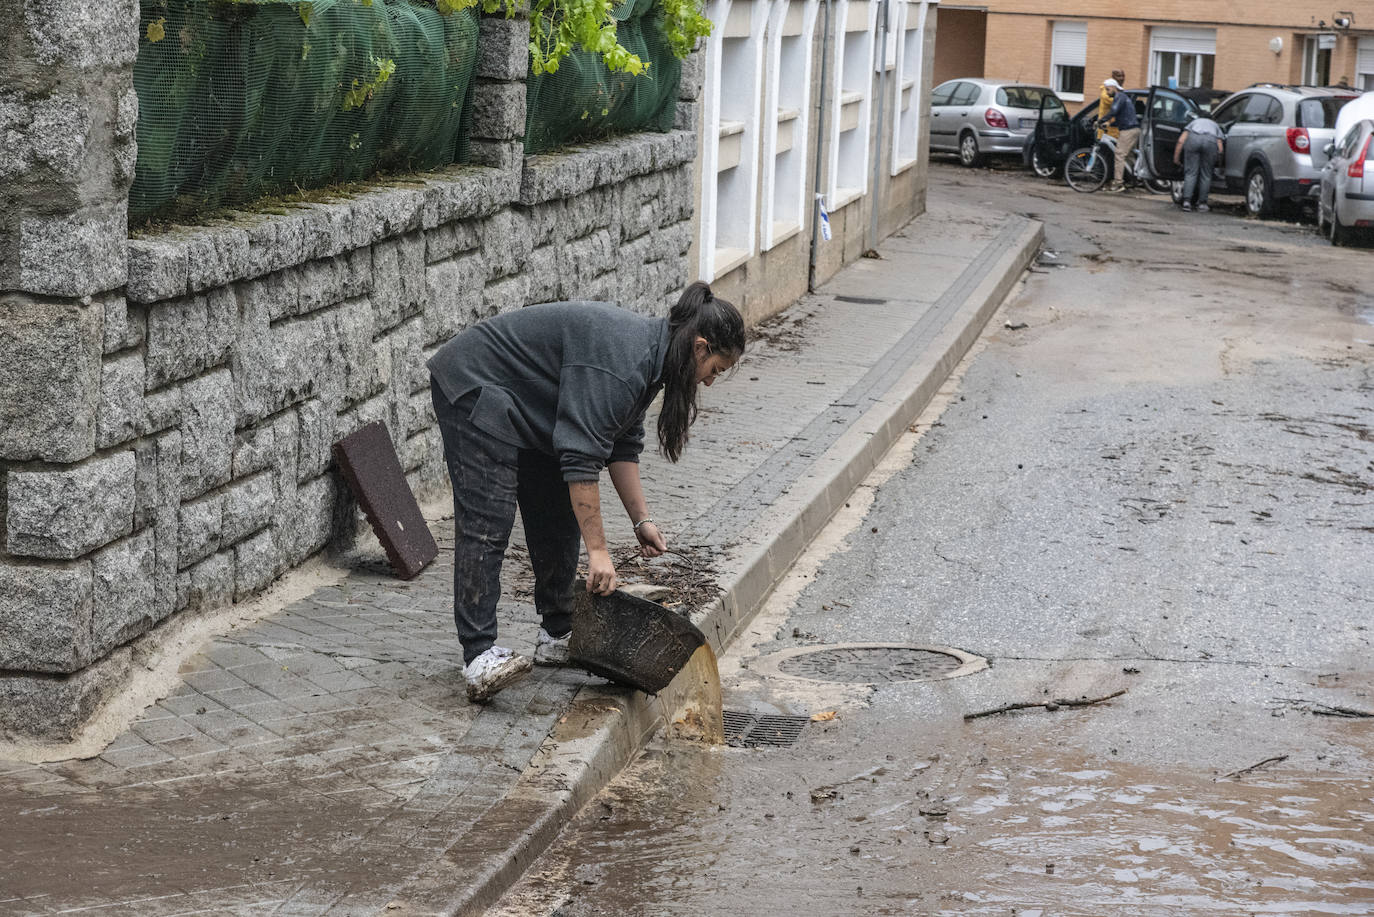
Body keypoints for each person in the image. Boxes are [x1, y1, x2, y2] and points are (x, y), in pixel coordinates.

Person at [426, 283, 746, 702]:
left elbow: (621, 444)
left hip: (533, 409)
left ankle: (556, 633)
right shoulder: (626, 362)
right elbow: (582, 459)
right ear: (701, 348)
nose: (708, 382)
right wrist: (599, 551)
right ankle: (478, 655)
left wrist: (642, 520)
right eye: (715, 370)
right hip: (476, 385)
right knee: (488, 520)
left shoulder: (654, 359)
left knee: (557, 516)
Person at [1173, 115, 1225, 212]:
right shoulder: (1215, 125)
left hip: (1193, 139)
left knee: (1191, 173)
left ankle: (1187, 202)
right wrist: (1219, 164)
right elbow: (1220, 149)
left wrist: (1176, 158)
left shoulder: (1193, 123)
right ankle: (1202, 204)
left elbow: (1181, 140)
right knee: (1206, 174)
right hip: (1210, 141)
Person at [1099, 78, 1140, 193]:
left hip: (1128, 130)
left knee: (1119, 154)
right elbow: (1122, 117)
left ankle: (1118, 183)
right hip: (1133, 129)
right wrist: (1109, 123)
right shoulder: (1123, 97)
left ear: (1113, 87)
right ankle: (1134, 179)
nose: (1107, 92)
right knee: (1129, 156)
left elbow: (1114, 111)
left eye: (1107, 89)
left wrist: (1101, 121)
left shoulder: (1119, 97)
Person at [1096, 69, 1126, 140]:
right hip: (1108, 130)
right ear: (1113, 77)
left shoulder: (1117, 91)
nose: (1122, 78)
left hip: (1114, 129)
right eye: (1119, 76)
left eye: (1123, 76)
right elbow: (1119, 105)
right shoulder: (1107, 93)